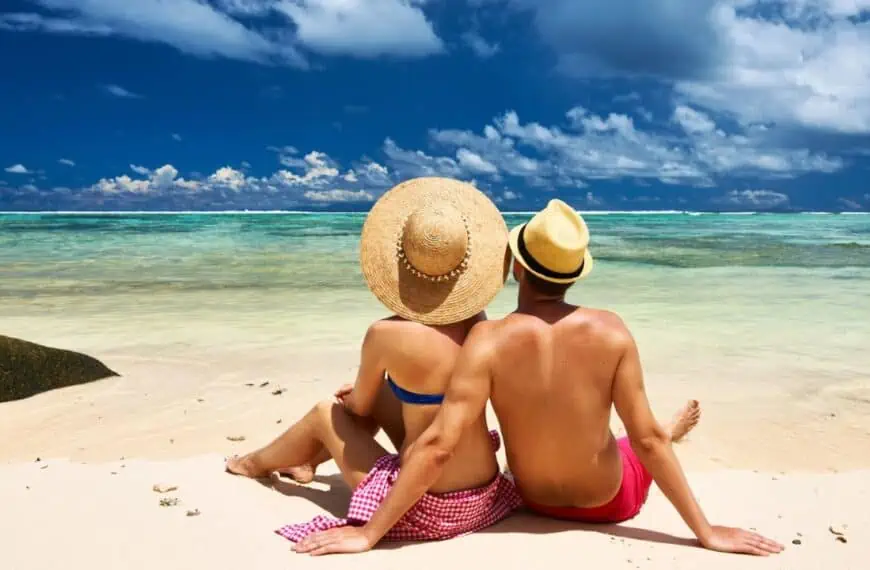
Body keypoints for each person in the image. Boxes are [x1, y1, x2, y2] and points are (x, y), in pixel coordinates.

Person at [292, 199, 786, 557]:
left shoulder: (487, 340)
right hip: (611, 503)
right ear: (575, 275)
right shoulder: (611, 332)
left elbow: (441, 441)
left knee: (619, 436)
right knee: (638, 439)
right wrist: (705, 532)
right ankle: (675, 428)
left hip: (529, 499)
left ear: (515, 270)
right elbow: (649, 439)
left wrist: (370, 533)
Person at [225, 176, 521, 548]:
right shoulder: (478, 322)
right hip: (486, 494)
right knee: (390, 394)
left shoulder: (386, 334)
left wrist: (354, 401)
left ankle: (254, 464)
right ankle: (305, 463)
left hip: (431, 504)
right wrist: (381, 393)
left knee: (324, 412)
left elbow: (358, 408)